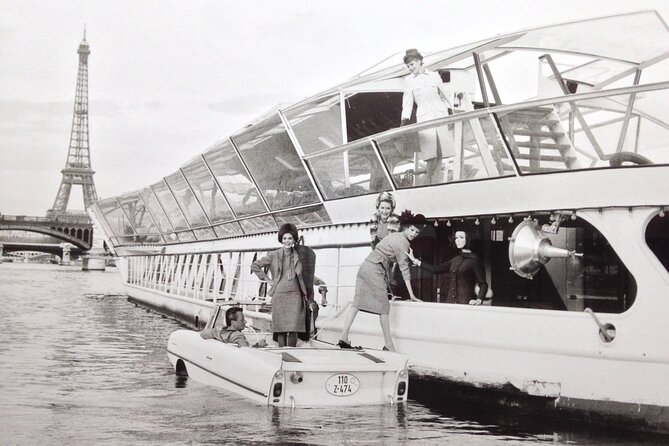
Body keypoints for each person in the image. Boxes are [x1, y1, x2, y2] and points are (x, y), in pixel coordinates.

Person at [338, 210, 426, 352]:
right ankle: (389, 345)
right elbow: (405, 270)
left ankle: (343, 337)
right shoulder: (403, 243)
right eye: (412, 230)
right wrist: (412, 296)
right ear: (406, 227)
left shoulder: (395, 236)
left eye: (417, 232)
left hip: (366, 266)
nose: (413, 234)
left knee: (357, 302)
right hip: (374, 269)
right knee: (384, 308)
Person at [400, 48, 456, 185]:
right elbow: (407, 102)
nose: (410, 68)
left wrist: (450, 111)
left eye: (412, 64)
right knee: (430, 153)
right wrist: (404, 120)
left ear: (419, 61)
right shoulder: (409, 81)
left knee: (441, 151)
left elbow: (444, 94)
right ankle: (429, 181)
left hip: (440, 114)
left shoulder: (434, 76)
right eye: (408, 66)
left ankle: (435, 181)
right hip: (425, 117)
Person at [251, 223, 309, 347]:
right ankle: (281, 351)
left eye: (290, 238)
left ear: (294, 239)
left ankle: (291, 351)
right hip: (279, 294)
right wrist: (267, 279)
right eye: (284, 238)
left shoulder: (300, 255)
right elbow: (255, 265)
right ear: (281, 239)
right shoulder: (273, 255)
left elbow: (306, 274)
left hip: (295, 295)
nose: (287, 241)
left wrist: (320, 283)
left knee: (294, 327)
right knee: (280, 328)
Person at [407, 230, 488, 305]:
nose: (457, 240)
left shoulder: (474, 260)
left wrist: (479, 299)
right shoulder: (456, 259)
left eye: (461, 237)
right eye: (456, 238)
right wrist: (415, 260)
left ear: (468, 239)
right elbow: (434, 269)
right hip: (451, 302)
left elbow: (483, 284)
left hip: (466, 302)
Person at [200, 307, 267, 348]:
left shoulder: (217, 331)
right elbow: (247, 354)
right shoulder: (238, 336)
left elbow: (202, 334)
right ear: (233, 323)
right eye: (242, 320)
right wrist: (258, 345)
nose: (245, 321)